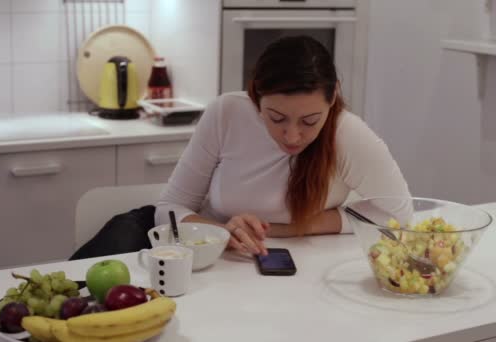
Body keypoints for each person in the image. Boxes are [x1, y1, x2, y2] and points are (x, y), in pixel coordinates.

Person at [70, 35, 410, 260]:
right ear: (255, 97)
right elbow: (171, 206)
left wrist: (291, 228)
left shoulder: (347, 133)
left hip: (307, 275)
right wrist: (221, 232)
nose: (292, 136)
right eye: (276, 118)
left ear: (333, 95)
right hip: (216, 271)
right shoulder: (227, 113)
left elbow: (398, 215)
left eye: (309, 121)